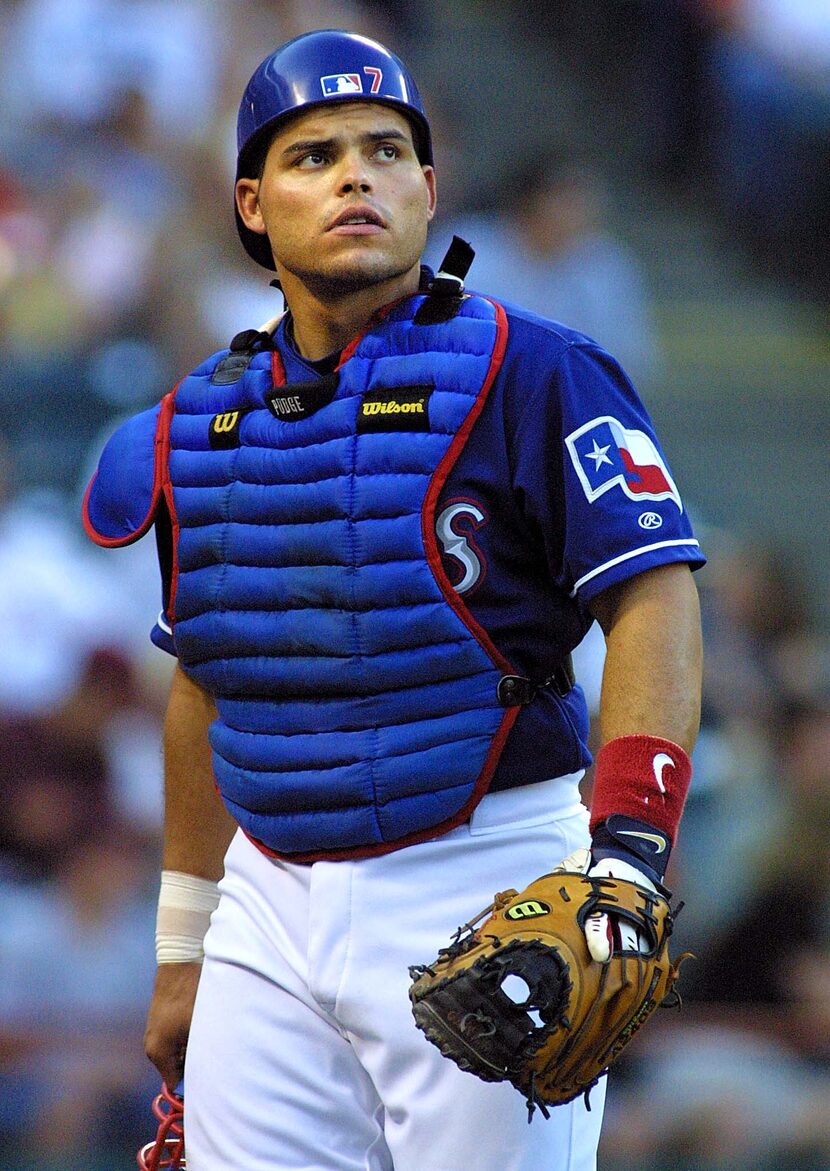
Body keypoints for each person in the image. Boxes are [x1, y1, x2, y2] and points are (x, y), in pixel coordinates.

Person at [83, 28, 705, 1171]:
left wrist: (623, 859)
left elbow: (652, 599)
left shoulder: (537, 368)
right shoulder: (196, 424)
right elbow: (205, 684)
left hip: (486, 871)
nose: (354, 174)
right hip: (266, 898)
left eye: (384, 149)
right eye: (312, 155)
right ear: (252, 206)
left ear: (428, 189)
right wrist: (183, 947)